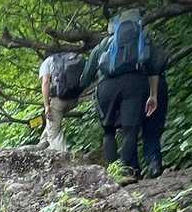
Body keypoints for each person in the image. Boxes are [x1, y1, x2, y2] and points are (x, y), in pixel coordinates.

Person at [80, 9, 164, 182]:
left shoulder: (103, 45)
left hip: (106, 87)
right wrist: (153, 95)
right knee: (130, 131)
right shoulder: (143, 39)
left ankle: (115, 173)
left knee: (109, 131)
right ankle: (125, 169)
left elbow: (85, 78)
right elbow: (155, 68)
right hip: (135, 84)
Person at [37, 51, 87, 153]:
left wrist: (46, 105)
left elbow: (45, 82)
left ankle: (63, 156)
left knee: (54, 134)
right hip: (74, 98)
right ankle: (42, 145)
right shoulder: (71, 58)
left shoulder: (47, 62)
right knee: (52, 123)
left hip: (59, 100)